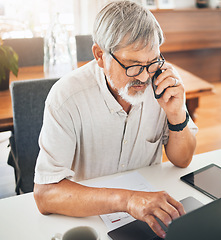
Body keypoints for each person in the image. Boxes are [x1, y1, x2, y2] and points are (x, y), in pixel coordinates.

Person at [33, 1, 197, 238]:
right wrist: (128, 200)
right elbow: (45, 194)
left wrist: (176, 114)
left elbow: (183, 160)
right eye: (132, 65)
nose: (143, 76)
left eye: (152, 62)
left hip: (149, 219)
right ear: (100, 55)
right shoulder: (66, 97)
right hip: (87, 224)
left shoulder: (162, 82)